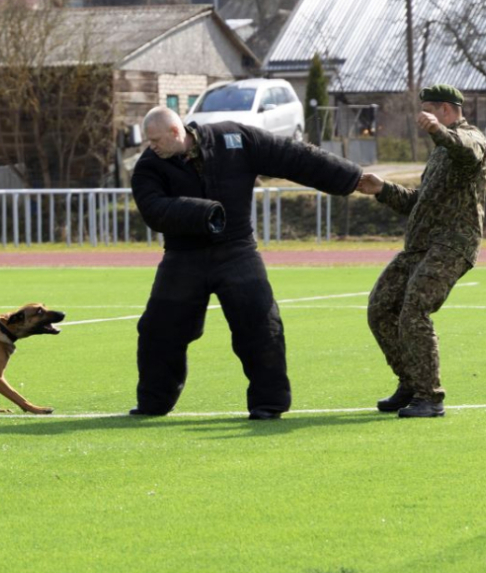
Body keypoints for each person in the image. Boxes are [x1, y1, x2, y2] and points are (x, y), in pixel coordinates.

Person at [130, 104, 371, 420]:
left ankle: (268, 403)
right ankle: (154, 402)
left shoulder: (234, 139)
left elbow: (294, 156)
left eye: (156, 140)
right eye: (149, 142)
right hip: (183, 256)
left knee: (261, 324)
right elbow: (153, 209)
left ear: (177, 132)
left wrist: (351, 178)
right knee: (158, 330)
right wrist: (205, 213)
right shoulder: (149, 166)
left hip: (237, 250)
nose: (152, 147)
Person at [355, 84, 486, 419]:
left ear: (446, 110)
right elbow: (418, 203)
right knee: (380, 307)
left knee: (414, 307)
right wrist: (382, 189)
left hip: (453, 243)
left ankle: (430, 397)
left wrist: (440, 132)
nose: (421, 117)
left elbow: (467, 151)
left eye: (427, 110)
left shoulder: (470, 139)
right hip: (420, 245)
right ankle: (411, 383)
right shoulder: (439, 151)